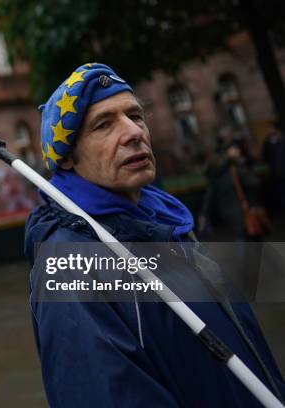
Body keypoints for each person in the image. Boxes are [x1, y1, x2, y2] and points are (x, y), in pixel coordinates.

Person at [24, 63, 285, 407]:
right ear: (68, 156)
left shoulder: (170, 224)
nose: (133, 132)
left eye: (135, 115)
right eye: (104, 124)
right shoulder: (71, 266)